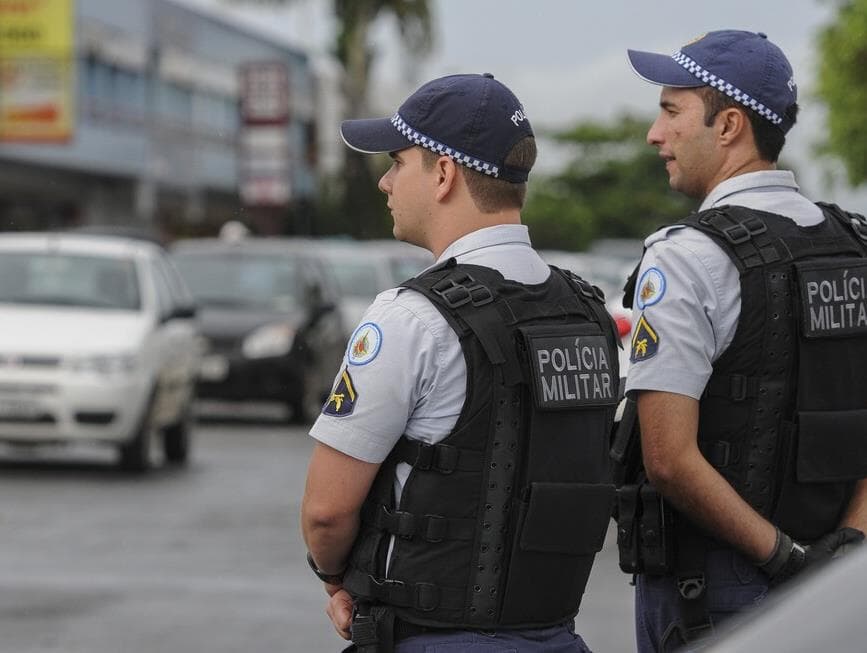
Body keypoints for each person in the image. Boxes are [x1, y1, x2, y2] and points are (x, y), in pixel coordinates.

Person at [300, 73, 621, 652]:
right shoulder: (587, 312)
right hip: (557, 636)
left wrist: (335, 578)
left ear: (443, 173)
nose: (385, 181)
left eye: (398, 161)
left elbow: (326, 512)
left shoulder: (411, 318)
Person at [616, 29, 867, 652]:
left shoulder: (686, 258)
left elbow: (669, 459)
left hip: (721, 587)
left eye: (671, 111)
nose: (655, 133)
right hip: (845, 585)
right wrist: (848, 549)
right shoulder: (855, 245)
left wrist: (787, 562)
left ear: (728, 125)